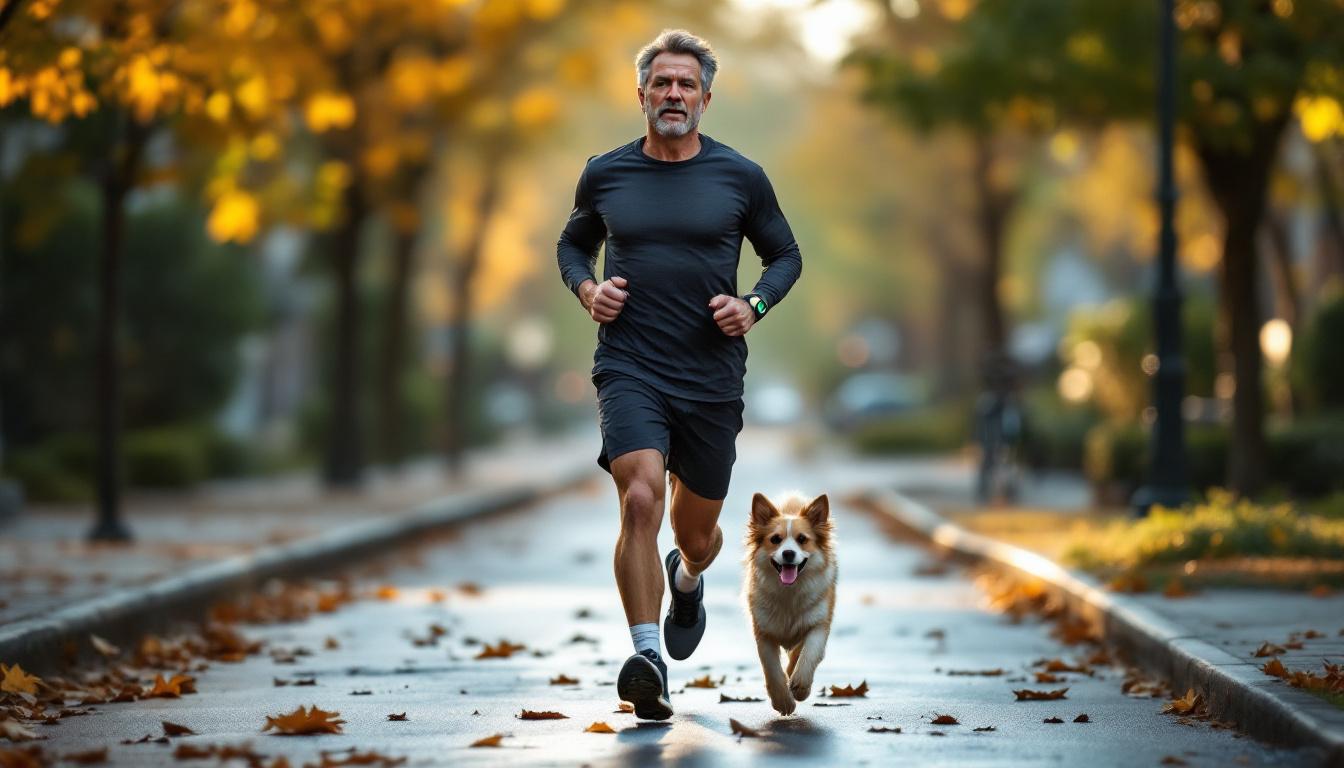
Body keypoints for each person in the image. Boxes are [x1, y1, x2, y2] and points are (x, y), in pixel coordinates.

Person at [555, 29, 803, 720]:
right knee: (639, 500)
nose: (672, 94)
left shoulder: (740, 178)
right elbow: (574, 243)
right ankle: (647, 660)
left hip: (711, 377)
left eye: (685, 84)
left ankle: (686, 580)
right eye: (661, 83)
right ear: (641, 95)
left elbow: (784, 256)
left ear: (705, 98)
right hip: (629, 361)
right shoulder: (605, 173)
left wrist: (752, 304)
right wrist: (586, 290)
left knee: (696, 536)